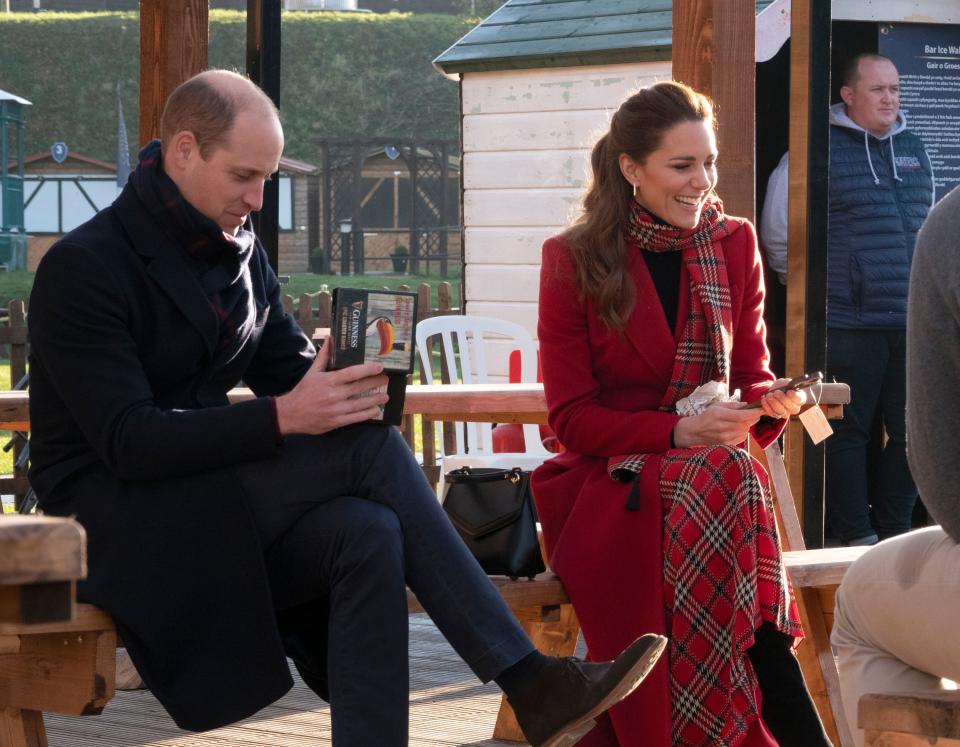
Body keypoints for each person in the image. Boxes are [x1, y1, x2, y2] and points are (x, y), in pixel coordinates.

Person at [26, 69, 667, 747]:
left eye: (267, 178)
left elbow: (290, 373)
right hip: (107, 516)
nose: (257, 197)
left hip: (200, 494)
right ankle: (532, 680)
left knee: (367, 531)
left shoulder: (240, 256)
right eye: (245, 176)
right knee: (368, 454)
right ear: (183, 150)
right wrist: (286, 416)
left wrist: (348, 376)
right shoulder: (83, 267)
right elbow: (127, 440)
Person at [532, 81, 832, 747]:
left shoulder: (733, 243)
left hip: (712, 486)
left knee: (725, 471)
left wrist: (770, 401)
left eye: (709, 163)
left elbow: (749, 377)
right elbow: (573, 419)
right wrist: (676, 430)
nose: (701, 182)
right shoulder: (573, 257)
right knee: (728, 475)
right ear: (630, 169)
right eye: (681, 166)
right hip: (609, 488)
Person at [759, 53, 935, 545]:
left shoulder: (915, 148)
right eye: (878, 89)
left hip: (908, 321)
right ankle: (855, 536)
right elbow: (779, 234)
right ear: (849, 95)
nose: (889, 99)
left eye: (895, 89)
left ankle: (896, 532)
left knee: (912, 433)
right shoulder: (813, 149)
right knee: (841, 432)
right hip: (845, 322)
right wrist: (808, 302)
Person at [831, 183, 960, 747]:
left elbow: (940, 466)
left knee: (859, 601)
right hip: (857, 324)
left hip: (870, 326)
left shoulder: (950, 219)